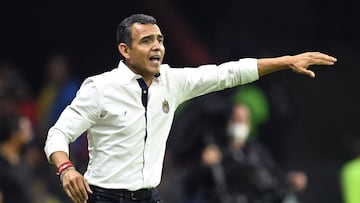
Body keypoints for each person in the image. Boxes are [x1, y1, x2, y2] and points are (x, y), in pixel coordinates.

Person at [43, 13, 336, 203]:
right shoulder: (100, 88)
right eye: (147, 41)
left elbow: (227, 73)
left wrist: (285, 62)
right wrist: (66, 168)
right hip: (103, 197)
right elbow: (58, 133)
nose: (157, 46)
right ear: (125, 50)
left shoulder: (173, 81)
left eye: (159, 40)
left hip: (149, 197)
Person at [185, 103, 307, 203]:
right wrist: (203, 165)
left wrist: (290, 180)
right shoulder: (213, 149)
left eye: (243, 120)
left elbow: (274, 176)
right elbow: (189, 185)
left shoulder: (257, 151)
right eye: (235, 119)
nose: (239, 124)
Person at [0, 110, 34, 203]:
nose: (31, 134)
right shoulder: (2, 163)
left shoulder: (23, 162)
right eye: (27, 129)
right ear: (14, 133)